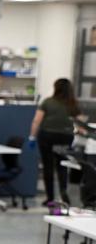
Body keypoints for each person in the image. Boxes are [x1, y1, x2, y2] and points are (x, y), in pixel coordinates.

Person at [30, 78, 85, 206]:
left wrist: (32, 137)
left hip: (47, 136)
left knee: (48, 166)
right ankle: (64, 197)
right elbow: (81, 124)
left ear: (56, 88)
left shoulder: (48, 102)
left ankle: (50, 198)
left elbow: (36, 121)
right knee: (62, 166)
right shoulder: (72, 104)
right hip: (65, 137)